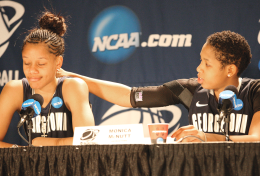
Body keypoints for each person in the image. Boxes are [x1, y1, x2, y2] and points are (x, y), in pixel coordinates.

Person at [57, 30, 260, 143]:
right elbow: (129, 96)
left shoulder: (255, 91)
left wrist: (206, 137)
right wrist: (70, 76)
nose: (199, 68)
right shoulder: (188, 89)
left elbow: (257, 139)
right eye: (200, 61)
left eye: (207, 64)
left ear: (230, 70)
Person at [0, 11, 95, 147]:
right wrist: (23, 154)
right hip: (33, 167)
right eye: (26, 63)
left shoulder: (73, 86)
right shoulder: (14, 89)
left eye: (41, 64)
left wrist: (42, 144)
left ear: (58, 63)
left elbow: (87, 140)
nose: (32, 70)